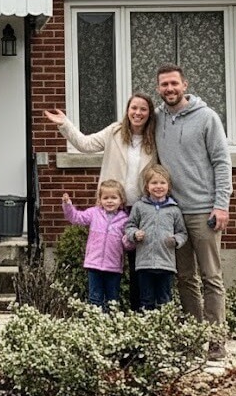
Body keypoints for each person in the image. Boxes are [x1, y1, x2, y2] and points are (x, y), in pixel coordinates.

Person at [45, 94, 158, 310]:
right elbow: (85, 144)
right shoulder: (114, 132)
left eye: (143, 109)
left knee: (139, 265)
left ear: (149, 113)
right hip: (113, 207)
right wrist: (65, 124)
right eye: (134, 108)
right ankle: (105, 314)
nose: (138, 113)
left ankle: (138, 313)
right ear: (127, 110)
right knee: (105, 262)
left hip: (141, 209)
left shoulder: (154, 138)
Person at [154, 64, 232, 360]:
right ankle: (192, 337)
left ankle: (215, 342)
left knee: (211, 276)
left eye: (174, 83)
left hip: (204, 211)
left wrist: (221, 204)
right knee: (185, 278)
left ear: (185, 85)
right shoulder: (158, 118)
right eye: (164, 85)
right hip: (173, 211)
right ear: (159, 88)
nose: (169, 89)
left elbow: (222, 163)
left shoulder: (207, 118)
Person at [124, 164, 187, 310]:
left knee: (164, 300)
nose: (158, 186)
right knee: (146, 300)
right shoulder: (139, 206)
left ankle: (163, 328)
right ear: (146, 186)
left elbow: (182, 233)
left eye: (162, 183)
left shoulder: (174, 209)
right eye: (154, 183)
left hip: (165, 264)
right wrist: (134, 234)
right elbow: (129, 226)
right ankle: (147, 328)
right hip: (144, 263)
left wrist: (176, 240)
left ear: (168, 186)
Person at [61, 179, 131, 310]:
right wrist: (68, 205)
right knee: (95, 298)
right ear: (100, 200)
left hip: (113, 266)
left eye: (114, 198)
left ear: (121, 200)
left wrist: (130, 239)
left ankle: (111, 325)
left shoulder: (124, 220)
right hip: (94, 264)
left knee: (112, 299)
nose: (109, 201)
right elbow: (76, 218)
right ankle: (95, 324)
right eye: (106, 198)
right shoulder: (94, 213)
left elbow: (128, 246)